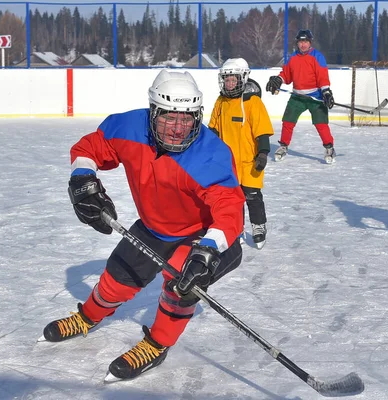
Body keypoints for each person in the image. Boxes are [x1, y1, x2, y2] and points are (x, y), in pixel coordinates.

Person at [42, 70, 245, 381]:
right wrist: (83, 179)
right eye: (168, 118)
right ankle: (86, 317)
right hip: (155, 226)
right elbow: (89, 148)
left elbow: (229, 210)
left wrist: (208, 250)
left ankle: (157, 343)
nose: (178, 129)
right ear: (153, 112)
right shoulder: (128, 127)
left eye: (187, 119)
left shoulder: (212, 154)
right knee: (116, 279)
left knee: (181, 281)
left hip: (208, 236)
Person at [209, 58, 274, 249]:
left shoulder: (252, 102)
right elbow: (213, 129)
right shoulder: (221, 101)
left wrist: (262, 153)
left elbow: (262, 130)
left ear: (242, 79)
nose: (229, 83)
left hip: (250, 161)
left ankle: (259, 226)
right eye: (226, 79)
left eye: (233, 79)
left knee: (253, 196)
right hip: (228, 163)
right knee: (232, 199)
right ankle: (235, 228)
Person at [265, 29, 336, 164]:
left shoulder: (317, 56)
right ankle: (283, 146)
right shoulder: (292, 58)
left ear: (310, 43)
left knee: (321, 124)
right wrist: (278, 80)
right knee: (288, 121)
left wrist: (326, 92)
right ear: (297, 43)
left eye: (306, 42)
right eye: (301, 42)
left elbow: (322, 77)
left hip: (315, 97)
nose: (303, 45)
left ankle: (329, 148)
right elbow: (286, 75)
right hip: (297, 96)